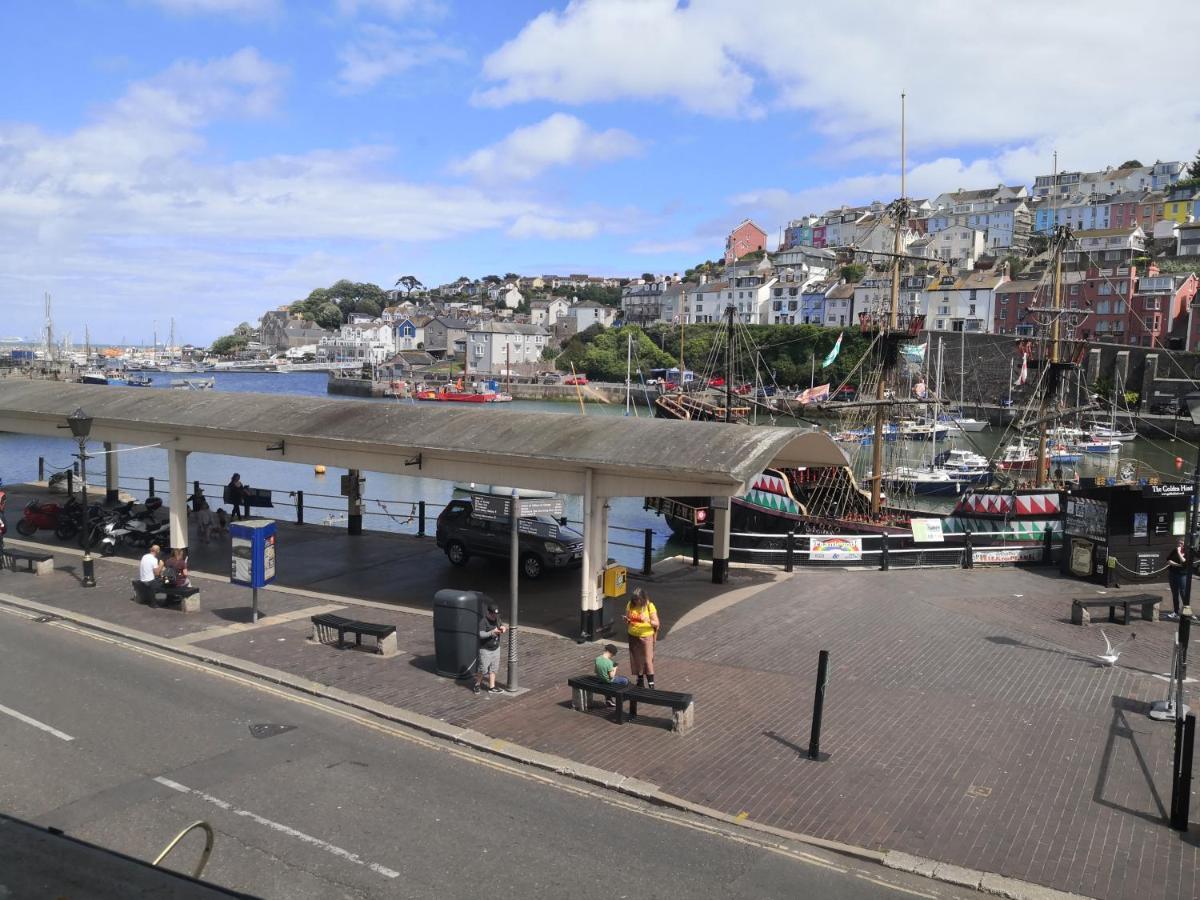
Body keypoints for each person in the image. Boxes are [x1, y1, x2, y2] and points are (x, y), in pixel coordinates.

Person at [623, 588, 660, 689]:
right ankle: (640, 680)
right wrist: (627, 620)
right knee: (636, 659)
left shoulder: (649, 606)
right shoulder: (630, 604)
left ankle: (651, 684)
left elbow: (656, 623)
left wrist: (647, 620)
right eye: (634, 599)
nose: (636, 602)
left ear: (643, 598)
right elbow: (628, 619)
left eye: (638, 599)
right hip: (633, 634)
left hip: (646, 635)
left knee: (648, 660)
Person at [474, 603, 507, 695]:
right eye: (493, 614)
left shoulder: (497, 619)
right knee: (483, 669)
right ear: (488, 613)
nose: (494, 616)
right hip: (485, 650)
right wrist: (492, 632)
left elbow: (502, 625)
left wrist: (503, 628)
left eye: (496, 614)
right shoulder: (483, 621)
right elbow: (481, 634)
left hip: (496, 648)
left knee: (494, 669)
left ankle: (491, 687)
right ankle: (477, 684)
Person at [594, 643, 629, 708]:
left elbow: (596, 671)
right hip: (609, 680)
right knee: (625, 680)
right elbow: (611, 676)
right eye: (613, 655)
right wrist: (614, 668)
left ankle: (608, 699)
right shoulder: (609, 662)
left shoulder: (597, 659)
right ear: (611, 653)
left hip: (600, 679)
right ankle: (621, 697)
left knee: (609, 683)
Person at [1166, 538, 1188, 620]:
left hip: (1182, 575)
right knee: (1175, 593)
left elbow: (1185, 563)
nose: (1179, 545)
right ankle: (1176, 611)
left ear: (1185, 544)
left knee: (1183, 593)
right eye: (1178, 543)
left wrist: (1179, 552)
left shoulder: (1187, 551)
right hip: (1173, 573)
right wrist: (1178, 565)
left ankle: (1187, 612)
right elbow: (1168, 560)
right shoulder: (1174, 550)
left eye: (1181, 543)